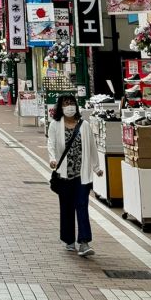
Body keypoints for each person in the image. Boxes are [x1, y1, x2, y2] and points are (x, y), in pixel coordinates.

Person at [48, 96, 102, 257]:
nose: (69, 107)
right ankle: (69, 239)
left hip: (81, 174)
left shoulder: (84, 125)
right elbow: (51, 143)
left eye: (71, 104)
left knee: (82, 205)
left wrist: (96, 167)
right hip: (64, 174)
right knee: (66, 208)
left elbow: (92, 146)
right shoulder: (55, 125)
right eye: (66, 104)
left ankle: (84, 242)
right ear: (60, 107)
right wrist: (52, 159)